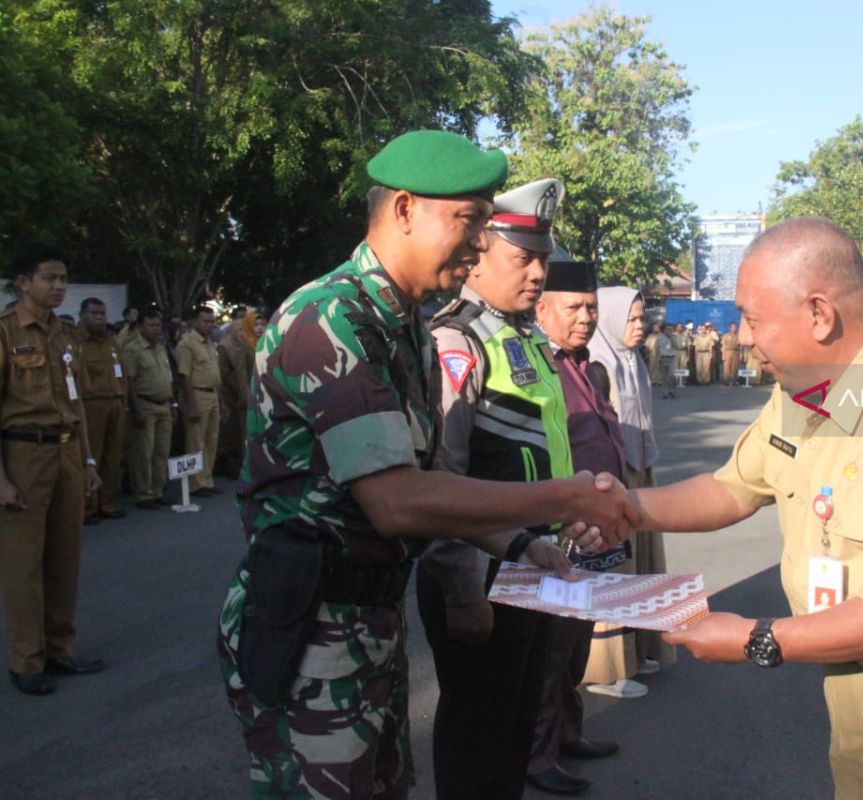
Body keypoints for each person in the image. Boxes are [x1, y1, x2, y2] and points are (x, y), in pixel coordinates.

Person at [215, 132, 634, 800]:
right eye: (467, 220)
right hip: (310, 628)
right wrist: (567, 498)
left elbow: (442, 481)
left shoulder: (402, 325)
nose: (477, 242)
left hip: (367, 621)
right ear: (404, 209)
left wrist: (525, 547)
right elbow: (400, 502)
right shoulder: (334, 318)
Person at [606, 217, 863, 799]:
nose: (745, 339)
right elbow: (733, 487)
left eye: (753, 320)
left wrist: (754, 638)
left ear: (819, 314)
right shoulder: (805, 390)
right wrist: (626, 507)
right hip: (862, 688)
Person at [417, 177, 582, 800]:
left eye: (543, 258)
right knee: (478, 735)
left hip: (532, 560)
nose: (539, 272)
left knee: (513, 729)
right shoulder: (457, 339)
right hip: (483, 569)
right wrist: (462, 590)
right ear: (478, 252)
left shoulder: (521, 335)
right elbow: (442, 476)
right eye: (524, 258)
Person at [528, 257, 624, 796]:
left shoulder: (593, 367)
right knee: (550, 648)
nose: (586, 317)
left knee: (577, 643)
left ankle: (568, 734)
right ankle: (537, 754)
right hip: (559, 530)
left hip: (599, 529)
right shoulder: (537, 367)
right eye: (574, 307)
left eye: (591, 307)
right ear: (543, 308)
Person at [0, 243, 105, 696]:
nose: (59, 286)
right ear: (24, 283)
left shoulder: (65, 334)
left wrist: (88, 460)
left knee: (65, 557)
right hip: (23, 453)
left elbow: (76, 400)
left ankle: (59, 648)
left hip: (65, 452)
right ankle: (26, 661)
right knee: (23, 564)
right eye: (49, 278)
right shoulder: (5, 333)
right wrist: (1, 480)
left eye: (63, 278)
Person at [585, 286, 676, 698]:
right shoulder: (596, 362)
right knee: (615, 566)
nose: (640, 326)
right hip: (612, 475)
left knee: (643, 561)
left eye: (642, 318)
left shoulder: (632, 359)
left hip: (641, 468)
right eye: (632, 319)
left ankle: (639, 649)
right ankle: (608, 670)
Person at [76, 298, 127, 523]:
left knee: (113, 455)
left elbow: (122, 371)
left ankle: (106, 502)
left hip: (115, 401)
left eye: (103, 313)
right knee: (91, 457)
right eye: (94, 313)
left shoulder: (110, 340)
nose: (99, 318)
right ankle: (87, 506)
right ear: (82, 315)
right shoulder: (75, 341)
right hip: (91, 404)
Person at [121, 307, 176, 510]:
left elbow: (169, 377)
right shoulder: (133, 349)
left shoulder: (161, 348)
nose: (155, 329)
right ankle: (144, 494)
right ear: (141, 326)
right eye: (151, 325)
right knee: (143, 452)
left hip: (164, 404)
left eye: (158, 325)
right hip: (145, 404)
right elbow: (129, 381)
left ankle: (158, 490)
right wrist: (135, 409)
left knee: (162, 451)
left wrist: (174, 403)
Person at [177, 305, 224, 496]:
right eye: (205, 321)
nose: (209, 325)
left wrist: (221, 400)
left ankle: (207, 479)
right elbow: (184, 376)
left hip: (212, 394)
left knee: (211, 439)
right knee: (196, 441)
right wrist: (191, 405)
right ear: (195, 322)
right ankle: (196, 483)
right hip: (197, 394)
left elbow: (216, 374)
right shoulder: (187, 344)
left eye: (212, 321)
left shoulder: (210, 343)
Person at [216, 311, 263, 478]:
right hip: (246, 396)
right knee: (246, 434)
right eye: (255, 325)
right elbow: (240, 374)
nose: (260, 328)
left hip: (262, 395)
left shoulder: (262, 344)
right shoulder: (241, 346)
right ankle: (247, 468)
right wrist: (245, 395)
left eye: (261, 325)